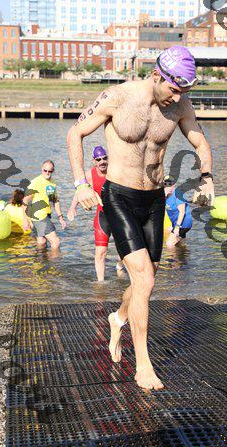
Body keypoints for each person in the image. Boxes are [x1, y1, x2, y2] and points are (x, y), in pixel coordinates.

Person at [67, 45, 214, 390]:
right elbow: (76, 133)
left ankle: (118, 318)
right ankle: (143, 365)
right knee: (144, 279)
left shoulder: (181, 105)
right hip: (118, 196)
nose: (177, 96)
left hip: (154, 199)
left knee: (144, 281)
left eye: (183, 91)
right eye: (173, 89)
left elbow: (200, 142)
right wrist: (80, 184)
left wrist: (207, 178)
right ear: (156, 75)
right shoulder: (118, 97)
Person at [67, 145, 124, 281]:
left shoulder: (115, 171)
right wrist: (72, 207)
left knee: (124, 252)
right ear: (94, 161)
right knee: (100, 252)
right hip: (102, 217)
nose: (102, 161)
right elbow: (80, 191)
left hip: (119, 215)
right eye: (99, 159)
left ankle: (120, 266)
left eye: (104, 158)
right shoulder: (90, 175)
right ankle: (100, 282)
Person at [23, 160, 66, 249]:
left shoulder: (52, 183)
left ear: (53, 171)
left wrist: (60, 217)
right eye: (45, 170)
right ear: (41, 169)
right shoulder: (35, 182)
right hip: (39, 216)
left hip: (45, 215)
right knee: (55, 241)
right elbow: (25, 200)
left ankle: (40, 258)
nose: (47, 173)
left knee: (42, 242)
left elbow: (55, 200)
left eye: (50, 171)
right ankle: (55, 259)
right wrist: (25, 220)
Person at [164, 176, 193, 248]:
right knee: (180, 245)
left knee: (169, 244)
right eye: (166, 184)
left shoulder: (178, 195)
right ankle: (183, 254)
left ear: (174, 185)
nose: (168, 187)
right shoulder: (163, 196)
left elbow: (182, 212)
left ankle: (174, 256)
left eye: (170, 184)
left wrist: (177, 227)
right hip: (176, 223)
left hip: (183, 223)